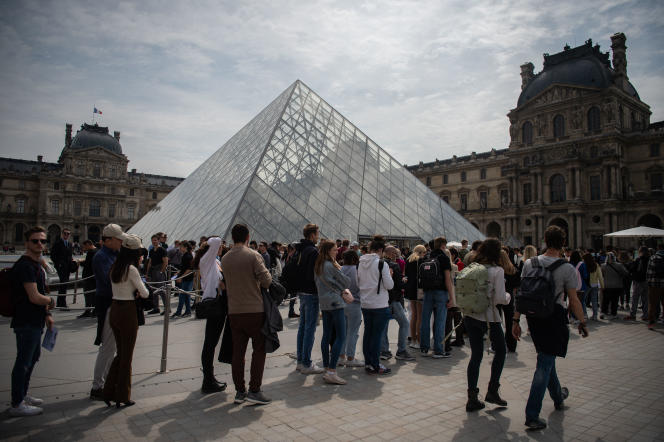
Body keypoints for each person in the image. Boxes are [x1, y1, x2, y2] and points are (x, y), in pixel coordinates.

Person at [512, 225, 589, 430]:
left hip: (534, 318)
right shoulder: (566, 268)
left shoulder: (529, 263)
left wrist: (515, 321)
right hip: (554, 317)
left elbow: (522, 294)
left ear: (544, 240)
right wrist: (582, 322)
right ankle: (531, 414)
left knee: (547, 358)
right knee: (544, 364)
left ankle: (558, 396)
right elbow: (573, 301)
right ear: (563, 243)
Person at [221, 224, 273, 405]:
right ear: (248, 237)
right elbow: (267, 281)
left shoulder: (225, 258)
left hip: (234, 311)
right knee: (259, 350)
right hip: (254, 310)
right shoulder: (253, 255)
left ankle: (239, 391)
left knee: (238, 352)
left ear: (232, 237)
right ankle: (255, 390)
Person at [9, 226, 55, 416]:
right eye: (35, 240)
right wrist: (50, 302)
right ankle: (17, 403)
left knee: (32, 358)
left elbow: (39, 295)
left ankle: (23, 394)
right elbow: (35, 297)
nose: (39, 244)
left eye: (43, 241)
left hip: (35, 319)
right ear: (27, 243)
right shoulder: (26, 266)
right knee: (24, 361)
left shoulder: (35, 264)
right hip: (26, 320)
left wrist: (46, 315)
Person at [464, 239, 511, 412]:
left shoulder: (471, 268)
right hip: (489, 317)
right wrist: (508, 297)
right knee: (501, 351)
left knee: (476, 355)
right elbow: (499, 298)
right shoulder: (497, 271)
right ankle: (492, 390)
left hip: (470, 315)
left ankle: (472, 398)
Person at [102, 234, 149, 408]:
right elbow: (145, 293)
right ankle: (122, 396)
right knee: (126, 356)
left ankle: (108, 392)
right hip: (127, 312)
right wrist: (139, 291)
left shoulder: (115, 266)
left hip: (114, 309)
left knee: (121, 353)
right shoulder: (132, 270)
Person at [90, 224, 126, 401]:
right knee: (107, 347)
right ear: (108, 240)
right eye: (118, 239)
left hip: (115, 302)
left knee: (112, 346)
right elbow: (108, 281)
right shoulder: (101, 257)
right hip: (107, 303)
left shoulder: (114, 254)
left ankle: (108, 382)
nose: (121, 241)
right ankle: (97, 386)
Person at [314, 240, 353, 384]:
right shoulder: (330, 265)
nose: (337, 252)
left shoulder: (318, 265)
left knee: (327, 335)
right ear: (328, 251)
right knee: (341, 336)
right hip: (336, 303)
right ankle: (332, 371)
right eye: (335, 250)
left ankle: (326, 366)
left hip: (324, 303)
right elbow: (347, 282)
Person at [357, 235, 394, 374]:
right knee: (377, 336)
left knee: (368, 334)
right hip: (379, 304)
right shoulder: (381, 263)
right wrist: (389, 274)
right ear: (380, 250)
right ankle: (375, 364)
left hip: (365, 303)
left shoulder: (361, 262)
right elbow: (389, 285)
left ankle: (368, 363)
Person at [195, 236, 228, 394]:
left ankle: (210, 377)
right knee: (209, 343)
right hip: (213, 305)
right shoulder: (206, 260)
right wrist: (208, 242)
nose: (222, 246)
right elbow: (215, 241)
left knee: (212, 343)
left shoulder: (216, 261)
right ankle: (207, 380)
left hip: (219, 304)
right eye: (221, 245)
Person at [295, 224, 324, 374]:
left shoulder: (300, 249)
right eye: (317, 233)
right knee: (310, 329)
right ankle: (307, 363)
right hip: (311, 293)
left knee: (302, 327)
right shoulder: (313, 251)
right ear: (312, 235)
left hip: (302, 293)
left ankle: (300, 361)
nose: (318, 236)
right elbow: (314, 275)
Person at [420, 237, 456, 358]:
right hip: (441, 292)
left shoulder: (426, 257)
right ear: (443, 245)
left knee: (425, 320)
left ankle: (424, 348)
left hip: (427, 292)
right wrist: (451, 297)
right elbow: (447, 279)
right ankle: (439, 350)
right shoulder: (443, 258)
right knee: (440, 321)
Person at [381, 245, 415, 361]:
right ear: (390, 253)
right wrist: (405, 281)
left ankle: (384, 351)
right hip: (394, 299)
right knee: (404, 324)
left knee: (384, 326)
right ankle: (401, 350)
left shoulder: (379, 264)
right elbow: (399, 285)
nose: (396, 255)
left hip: (382, 300)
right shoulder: (393, 265)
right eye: (395, 253)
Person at [339, 250, 363, 367]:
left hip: (341, 302)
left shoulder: (340, 269)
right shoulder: (357, 270)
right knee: (353, 332)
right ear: (355, 258)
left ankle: (341, 356)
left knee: (342, 332)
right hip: (355, 302)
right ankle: (350, 358)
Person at [404, 245, 426, 350]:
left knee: (413, 315)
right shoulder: (420, 260)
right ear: (422, 252)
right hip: (419, 289)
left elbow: (407, 274)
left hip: (410, 289)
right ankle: (418, 340)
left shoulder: (409, 259)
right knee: (419, 316)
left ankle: (413, 340)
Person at [50, 228, 75, 309]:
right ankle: (62, 303)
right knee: (63, 283)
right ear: (62, 234)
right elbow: (52, 255)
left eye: (68, 234)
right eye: (65, 233)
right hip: (61, 267)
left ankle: (60, 302)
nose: (66, 235)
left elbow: (70, 256)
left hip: (68, 267)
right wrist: (58, 264)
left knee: (64, 284)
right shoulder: (57, 243)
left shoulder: (70, 244)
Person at [146, 234, 169, 315]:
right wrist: (147, 273)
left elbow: (165, 262)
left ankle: (167, 308)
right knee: (154, 290)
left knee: (161, 290)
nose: (154, 242)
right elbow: (150, 262)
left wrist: (161, 271)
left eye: (155, 240)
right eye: (152, 240)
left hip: (159, 270)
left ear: (159, 241)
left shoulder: (162, 250)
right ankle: (156, 308)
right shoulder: (151, 250)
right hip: (153, 271)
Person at [625, 246, 650, 321]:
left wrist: (631, 262)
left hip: (638, 281)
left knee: (635, 298)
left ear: (641, 252)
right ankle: (645, 315)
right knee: (645, 299)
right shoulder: (650, 259)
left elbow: (631, 269)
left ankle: (633, 315)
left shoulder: (638, 259)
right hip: (647, 281)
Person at [601, 252, 628, 319]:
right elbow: (626, 273)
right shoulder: (619, 265)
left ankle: (604, 312)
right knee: (615, 300)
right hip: (617, 285)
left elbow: (602, 275)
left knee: (605, 300)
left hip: (606, 285)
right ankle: (613, 313)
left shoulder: (603, 266)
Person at [172, 241, 194, 318]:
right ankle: (188, 311)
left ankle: (179, 312)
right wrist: (178, 273)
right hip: (186, 278)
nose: (180, 248)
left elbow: (189, 269)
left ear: (185, 247)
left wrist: (181, 277)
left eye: (181, 246)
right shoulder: (185, 255)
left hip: (187, 278)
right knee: (186, 295)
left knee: (182, 295)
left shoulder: (188, 256)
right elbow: (185, 267)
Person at [646, 243, 664, 330]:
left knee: (652, 304)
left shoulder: (653, 257)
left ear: (658, 248)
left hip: (654, 284)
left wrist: (648, 283)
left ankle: (651, 322)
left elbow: (649, 272)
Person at [78, 239, 97, 318]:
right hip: (94, 277)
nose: (84, 248)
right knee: (93, 295)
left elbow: (88, 264)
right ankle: (95, 311)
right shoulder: (97, 251)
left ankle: (88, 311)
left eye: (85, 246)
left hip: (88, 277)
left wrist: (80, 262)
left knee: (88, 294)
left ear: (89, 244)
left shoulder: (91, 252)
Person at [584, 253, 604, 320]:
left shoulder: (585, 265)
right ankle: (595, 315)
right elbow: (600, 276)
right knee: (594, 300)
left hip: (587, 285)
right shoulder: (596, 265)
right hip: (595, 284)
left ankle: (585, 314)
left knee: (583, 300)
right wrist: (602, 285)